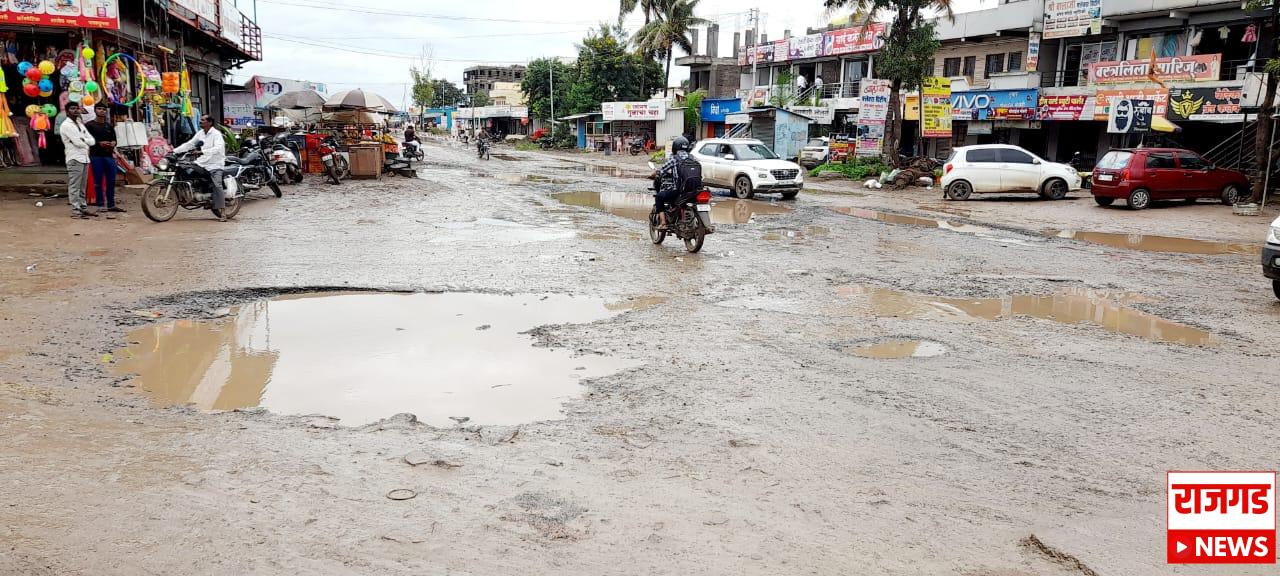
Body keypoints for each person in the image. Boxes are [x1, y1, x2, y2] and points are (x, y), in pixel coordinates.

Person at [172, 115, 229, 221]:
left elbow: (218, 148)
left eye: (203, 120)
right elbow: (190, 144)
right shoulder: (200, 133)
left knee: (217, 185)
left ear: (210, 122)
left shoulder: (216, 134)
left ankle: (223, 212)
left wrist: (202, 151)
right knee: (186, 170)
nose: (200, 121)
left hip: (215, 164)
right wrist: (174, 151)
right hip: (202, 163)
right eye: (200, 120)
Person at [58, 102, 96, 219]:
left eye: (76, 108)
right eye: (72, 109)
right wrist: (85, 142)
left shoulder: (79, 124)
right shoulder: (66, 125)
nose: (75, 110)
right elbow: (78, 143)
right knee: (75, 185)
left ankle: (83, 207)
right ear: (67, 111)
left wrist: (84, 141)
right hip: (74, 158)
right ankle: (76, 209)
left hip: (84, 157)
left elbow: (92, 141)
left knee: (82, 185)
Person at [653, 136, 698, 230]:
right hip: (694, 189)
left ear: (675, 147)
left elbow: (662, 170)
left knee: (659, 197)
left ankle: (663, 223)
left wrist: (654, 173)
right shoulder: (692, 158)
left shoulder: (674, 158)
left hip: (679, 190)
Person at [86, 102, 123, 217]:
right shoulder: (89, 125)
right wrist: (99, 143)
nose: (102, 111)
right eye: (99, 109)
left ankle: (111, 204)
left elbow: (115, 140)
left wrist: (112, 143)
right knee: (98, 181)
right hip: (96, 156)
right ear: (95, 110)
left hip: (109, 156)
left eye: (104, 109)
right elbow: (87, 140)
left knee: (111, 181)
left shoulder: (109, 126)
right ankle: (100, 204)